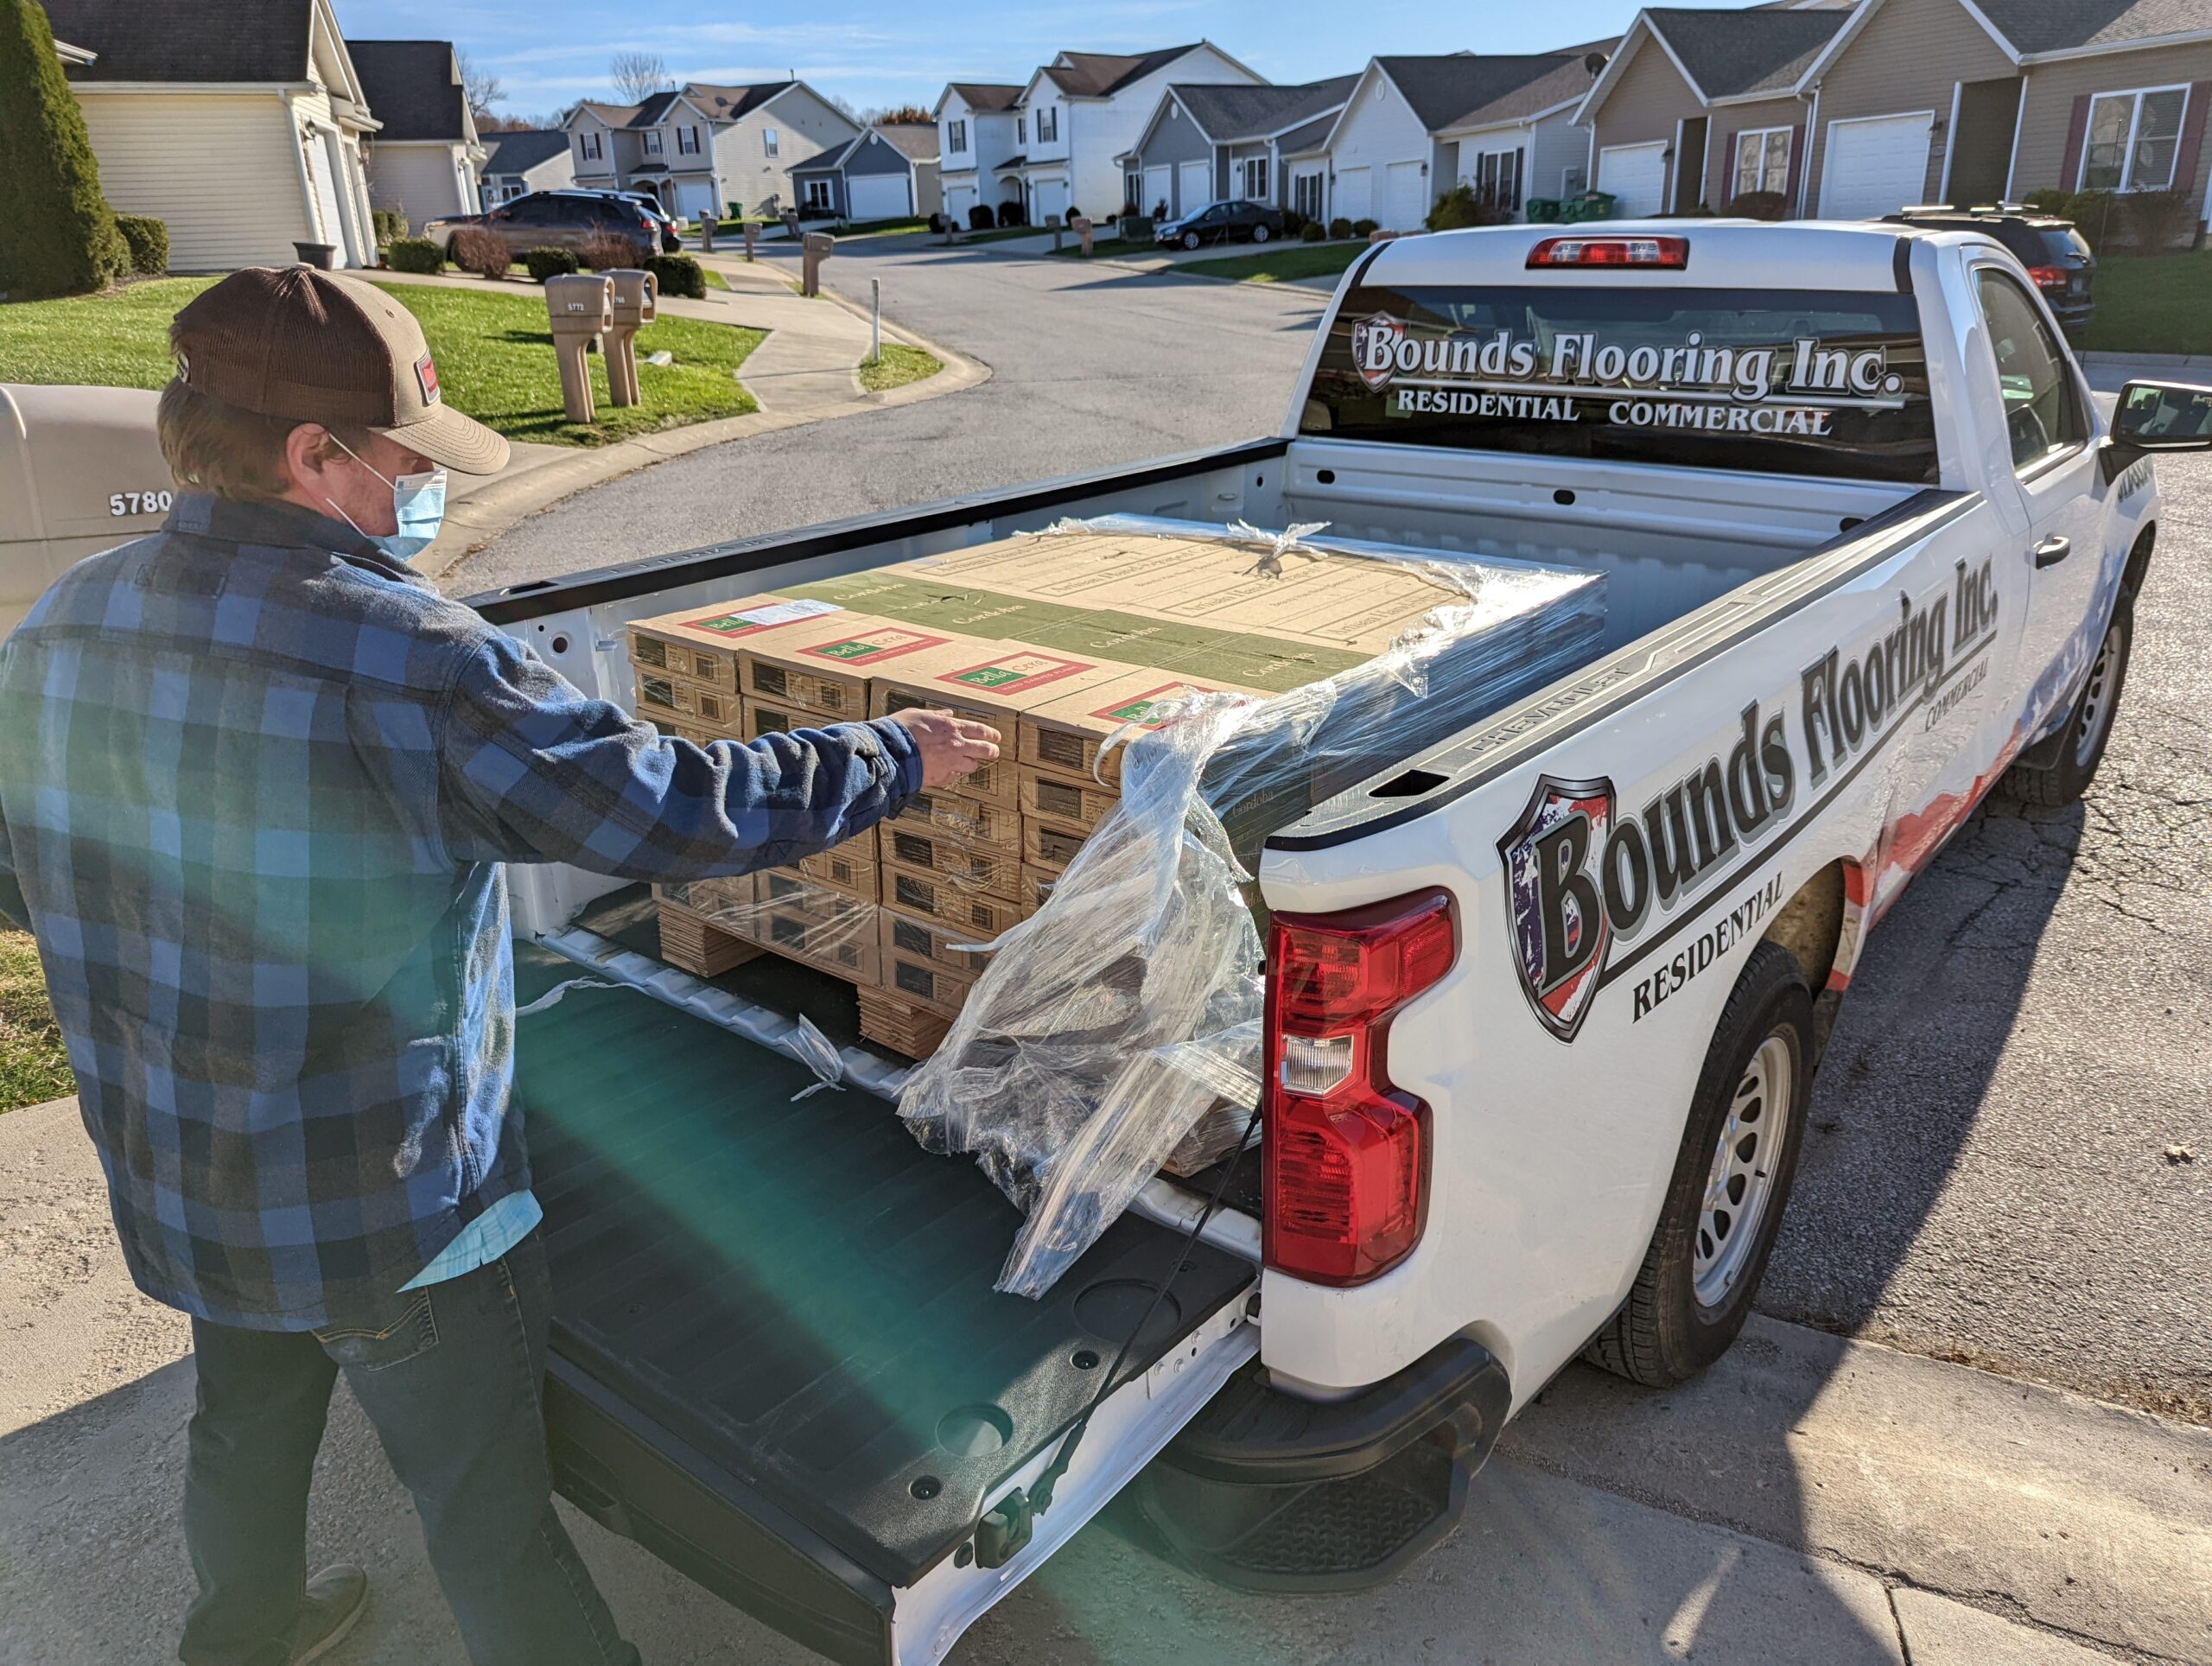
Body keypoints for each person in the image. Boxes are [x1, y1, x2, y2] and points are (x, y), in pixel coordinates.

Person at [0, 267, 998, 1666]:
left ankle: (244, 1638)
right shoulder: (404, 652)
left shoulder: (62, 624)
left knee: (242, 1427)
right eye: (408, 459)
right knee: (484, 1513)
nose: (423, 491)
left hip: (187, 1177)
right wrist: (896, 753)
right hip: (393, 1211)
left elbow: (19, 876)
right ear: (313, 456)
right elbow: (667, 810)